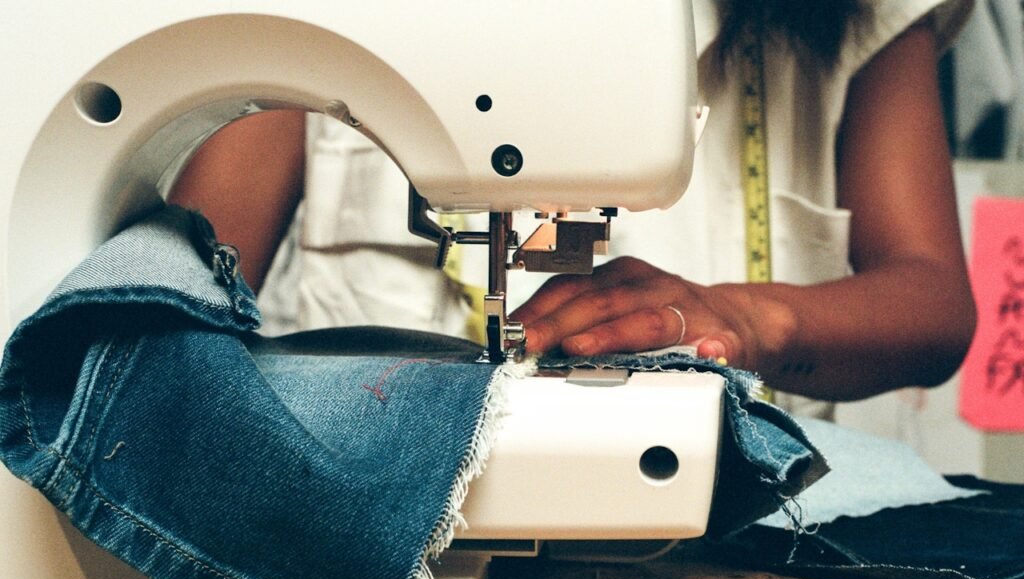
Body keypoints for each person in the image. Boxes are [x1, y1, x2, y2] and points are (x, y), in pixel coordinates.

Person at [169, 0, 977, 419]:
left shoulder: (863, 13)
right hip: (359, 534)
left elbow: (933, 301)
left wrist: (749, 319)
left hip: (734, 572)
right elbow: (171, 301)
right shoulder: (311, 18)